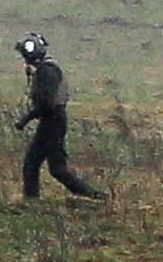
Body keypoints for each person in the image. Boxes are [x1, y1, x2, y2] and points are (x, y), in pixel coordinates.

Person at [14, 34, 104, 200]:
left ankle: (95, 196)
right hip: (51, 121)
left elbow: (46, 104)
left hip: (53, 122)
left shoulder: (46, 71)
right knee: (32, 164)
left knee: (56, 169)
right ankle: (31, 201)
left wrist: (25, 120)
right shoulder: (46, 69)